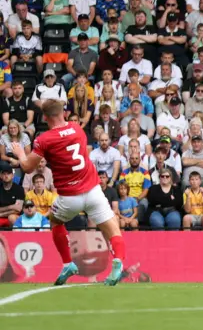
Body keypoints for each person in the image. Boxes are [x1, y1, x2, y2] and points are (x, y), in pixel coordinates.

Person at [12, 99, 125, 286]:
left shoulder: (44, 140)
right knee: (112, 227)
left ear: (45, 117)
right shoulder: (76, 128)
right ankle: (118, 262)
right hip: (93, 191)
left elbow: (27, 168)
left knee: (55, 222)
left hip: (69, 197)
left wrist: (20, 153)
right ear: (64, 113)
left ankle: (68, 263)